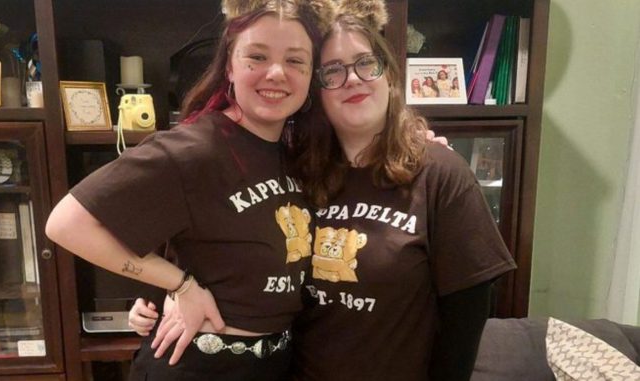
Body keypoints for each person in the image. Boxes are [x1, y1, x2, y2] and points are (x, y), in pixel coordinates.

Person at [131, 1, 514, 379]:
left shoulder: (440, 173)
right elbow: (214, 238)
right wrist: (167, 292)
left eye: (365, 63)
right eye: (332, 71)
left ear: (390, 76)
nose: (352, 79)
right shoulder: (291, 171)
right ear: (315, 92)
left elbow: (467, 310)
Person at [46, 1, 335, 380]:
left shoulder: (295, 151)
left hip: (274, 363)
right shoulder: (192, 148)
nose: (277, 73)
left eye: (296, 61)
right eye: (257, 56)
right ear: (230, 65)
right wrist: (179, 285)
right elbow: (66, 224)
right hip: (198, 367)